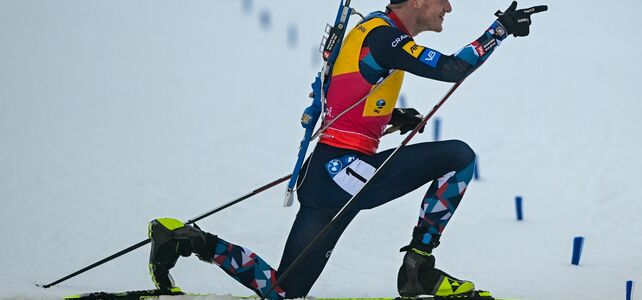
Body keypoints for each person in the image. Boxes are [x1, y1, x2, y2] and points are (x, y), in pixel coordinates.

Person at [147, 0, 544, 299]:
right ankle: (419, 267)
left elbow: (342, 94)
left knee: (286, 292)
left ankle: (188, 240)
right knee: (459, 157)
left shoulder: (371, 30)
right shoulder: (385, 37)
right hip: (346, 172)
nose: (449, 6)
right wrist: (500, 28)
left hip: (326, 175)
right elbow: (452, 69)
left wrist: (389, 118)